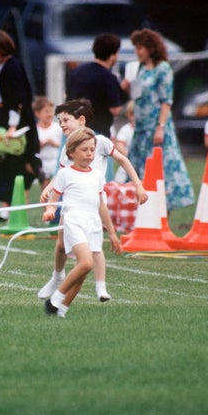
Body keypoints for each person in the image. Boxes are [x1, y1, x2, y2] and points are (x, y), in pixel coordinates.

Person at [38, 99, 147, 302]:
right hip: (72, 203)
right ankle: (57, 276)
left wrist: (138, 184)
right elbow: (62, 173)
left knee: (95, 247)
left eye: (65, 120)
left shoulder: (101, 142)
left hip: (95, 201)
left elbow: (123, 160)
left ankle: (101, 287)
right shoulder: (68, 148)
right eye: (60, 121)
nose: (61, 125)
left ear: (81, 120)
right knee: (61, 244)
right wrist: (49, 187)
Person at [41, 127, 122, 318]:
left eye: (92, 149)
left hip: (93, 223)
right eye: (84, 149)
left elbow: (101, 205)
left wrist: (111, 233)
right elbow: (54, 199)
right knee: (86, 263)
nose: (89, 153)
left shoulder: (97, 175)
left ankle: (61, 310)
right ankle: (56, 298)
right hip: (74, 221)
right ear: (71, 152)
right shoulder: (65, 174)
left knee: (83, 272)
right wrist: (50, 210)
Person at [121, 28, 195, 212]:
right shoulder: (137, 68)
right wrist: (126, 88)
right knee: (139, 170)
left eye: (141, 48)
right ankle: (142, 213)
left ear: (151, 48)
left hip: (156, 126)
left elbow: (166, 101)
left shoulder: (162, 68)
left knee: (162, 171)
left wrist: (160, 127)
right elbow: (138, 95)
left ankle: (164, 214)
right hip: (141, 127)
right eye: (136, 48)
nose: (138, 52)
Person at [0, 30, 41, 222]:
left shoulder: (12, 68)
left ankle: (27, 205)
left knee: (21, 162)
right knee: (1, 161)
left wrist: (12, 126)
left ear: (1, 50)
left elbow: (18, 99)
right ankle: (6, 208)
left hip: (16, 120)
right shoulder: (3, 68)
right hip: (5, 116)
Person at [67, 32, 124, 139]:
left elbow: (68, 96)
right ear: (112, 56)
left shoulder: (78, 71)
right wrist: (124, 92)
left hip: (73, 128)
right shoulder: (109, 77)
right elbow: (115, 110)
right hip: (96, 131)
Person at [33, 96, 62, 191]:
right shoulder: (35, 130)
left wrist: (53, 143)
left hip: (56, 163)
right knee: (45, 191)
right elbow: (33, 149)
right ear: (37, 113)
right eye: (46, 111)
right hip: (42, 165)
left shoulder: (57, 128)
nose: (49, 114)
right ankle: (46, 206)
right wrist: (42, 144)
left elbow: (63, 146)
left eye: (51, 111)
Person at [113, 104, 135, 183]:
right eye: (132, 114)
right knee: (121, 178)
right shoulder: (126, 129)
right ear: (129, 115)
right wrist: (129, 156)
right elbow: (119, 145)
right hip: (128, 161)